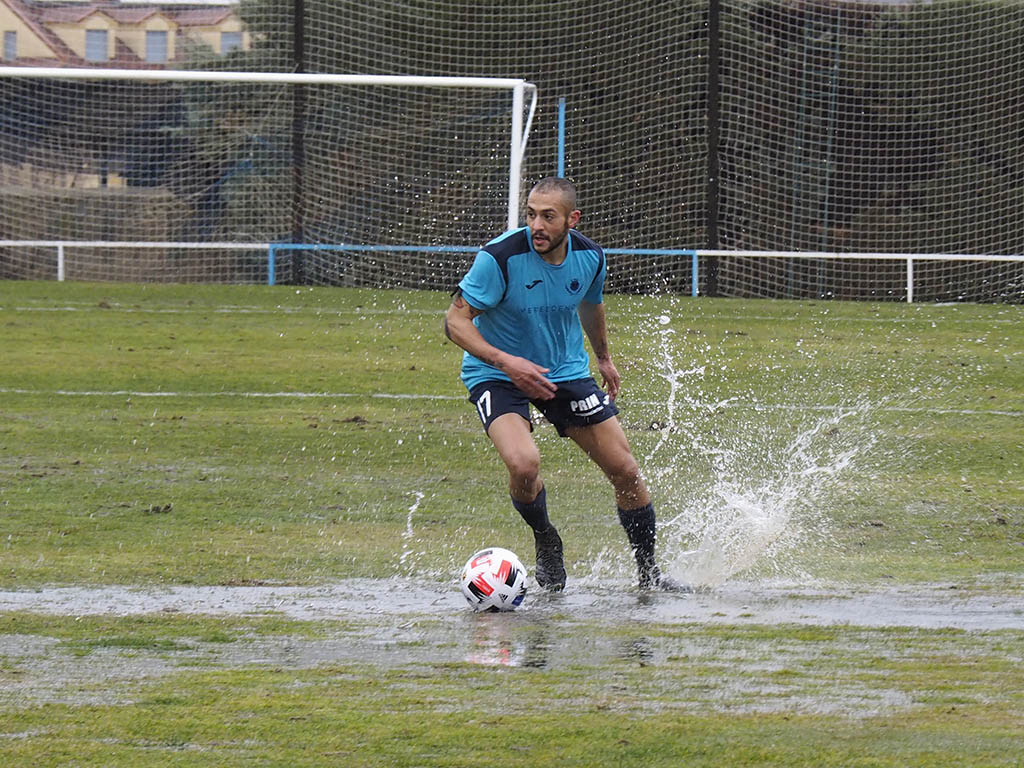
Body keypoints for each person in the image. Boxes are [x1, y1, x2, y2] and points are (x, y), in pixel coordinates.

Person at [444, 176, 685, 593]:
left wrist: (604, 358)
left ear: (572, 219)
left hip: (565, 372)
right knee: (524, 464)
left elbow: (591, 303)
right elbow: (455, 322)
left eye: (548, 217)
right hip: (497, 373)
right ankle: (545, 538)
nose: (536, 225)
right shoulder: (499, 257)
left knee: (626, 471)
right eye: (531, 215)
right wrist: (507, 362)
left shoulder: (590, 257)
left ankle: (649, 575)